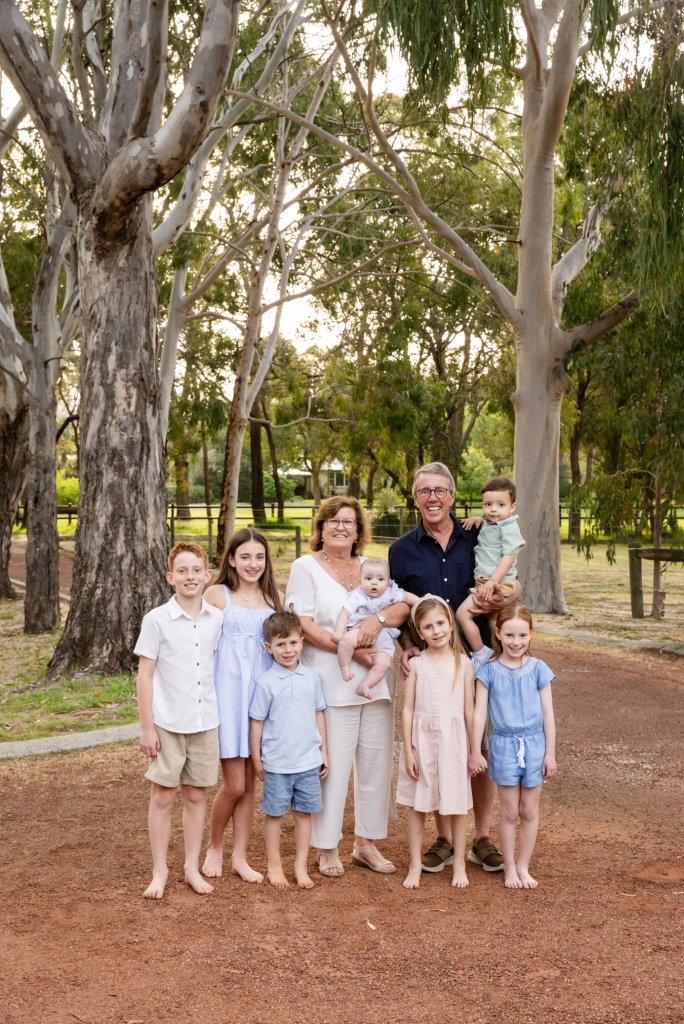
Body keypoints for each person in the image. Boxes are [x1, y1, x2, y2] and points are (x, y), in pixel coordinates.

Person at [389, 461, 516, 876]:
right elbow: (398, 606)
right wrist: (408, 645)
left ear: (452, 496)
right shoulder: (401, 550)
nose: (432, 498)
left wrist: (500, 600)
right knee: (436, 745)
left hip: (480, 659)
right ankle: (444, 839)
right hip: (433, 664)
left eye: (440, 491)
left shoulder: (479, 534)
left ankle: (480, 837)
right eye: (424, 491)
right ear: (415, 498)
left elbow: (511, 573)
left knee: (477, 746)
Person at [286, 496, 407, 878]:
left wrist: (379, 621)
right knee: (333, 766)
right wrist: (352, 650)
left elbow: (401, 606)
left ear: (359, 531)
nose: (341, 527)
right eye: (334, 521)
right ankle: (326, 847)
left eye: (350, 522)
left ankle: (366, 843)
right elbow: (303, 625)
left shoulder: (371, 567)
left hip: (375, 682)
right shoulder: (305, 567)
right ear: (320, 527)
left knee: (375, 762)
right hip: (331, 680)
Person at [134, 541, 223, 900]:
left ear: (207, 575)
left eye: (196, 570)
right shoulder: (156, 620)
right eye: (182, 571)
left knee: (196, 795)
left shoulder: (217, 618)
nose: (190, 577)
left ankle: (190, 866)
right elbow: (144, 675)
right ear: (171, 577)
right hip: (168, 722)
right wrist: (146, 727)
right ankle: (160, 871)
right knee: (162, 796)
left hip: (205, 721)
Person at [201, 528, 282, 884]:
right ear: (231, 559)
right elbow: (198, 647)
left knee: (251, 784)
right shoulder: (217, 595)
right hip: (228, 698)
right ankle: (214, 846)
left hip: (262, 701)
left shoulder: (275, 599)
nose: (253, 564)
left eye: (260, 557)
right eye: (245, 556)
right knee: (233, 784)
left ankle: (240, 856)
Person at [396, 596, 485, 890]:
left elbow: (470, 711)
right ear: (419, 633)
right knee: (418, 805)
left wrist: (474, 751)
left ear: (450, 624)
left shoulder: (464, 663)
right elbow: (408, 709)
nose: (436, 631)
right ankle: (414, 865)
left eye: (440, 624)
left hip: (454, 741)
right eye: (428, 627)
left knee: (457, 804)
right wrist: (408, 750)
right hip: (421, 741)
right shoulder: (417, 665)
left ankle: (459, 862)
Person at [468, 605, 557, 889]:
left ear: (531, 635)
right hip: (504, 745)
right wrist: (473, 751)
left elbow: (549, 715)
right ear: (497, 633)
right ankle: (508, 868)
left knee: (529, 810)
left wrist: (550, 753)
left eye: (522, 635)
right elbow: (479, 714)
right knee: (509, 811)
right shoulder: (488, 670)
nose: (515, 642)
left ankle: (523, 866)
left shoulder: (539, 669)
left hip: (535, 745)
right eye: (509, 635)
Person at [249, 611, 328, 889]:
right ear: (268, 647)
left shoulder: (312, 677)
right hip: (278, 764)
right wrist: (257, 758)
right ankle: (274, 866)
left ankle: (300, 867)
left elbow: (319, 714)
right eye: (280, 644)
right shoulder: (266, 682)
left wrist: (324, 753)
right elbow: (256, 723)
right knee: (275, 815)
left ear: (302, 642)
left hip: (308, 761)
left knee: (304, 814)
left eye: (293, 643)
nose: (288, 650)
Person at [456, 477, 525, 657]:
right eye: (488, 504)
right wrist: (478, 519)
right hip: (486, 582)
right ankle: (502, 656)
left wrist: (492, 582)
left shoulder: (509, 527)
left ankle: (480, 655)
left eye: (501, 505)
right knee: (495, 622)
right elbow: (489, 528)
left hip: (494, 583)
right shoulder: (491, 522)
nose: (493, 509)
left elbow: (509, 556)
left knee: (463, 615)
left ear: (512, 507)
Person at [333, 557, 417, 699]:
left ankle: (365, 685)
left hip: (383, 637)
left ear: (388, 581)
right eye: (368, 578)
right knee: (346, 641)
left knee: (384, 663)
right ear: (360, 580)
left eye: (380, 579)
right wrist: (339, 631)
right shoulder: (358, 596)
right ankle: (344, 667)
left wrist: (421, 601)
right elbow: (344, 614)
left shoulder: (391, 593)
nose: (374, 582)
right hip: (359, 630)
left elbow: (407, 597)